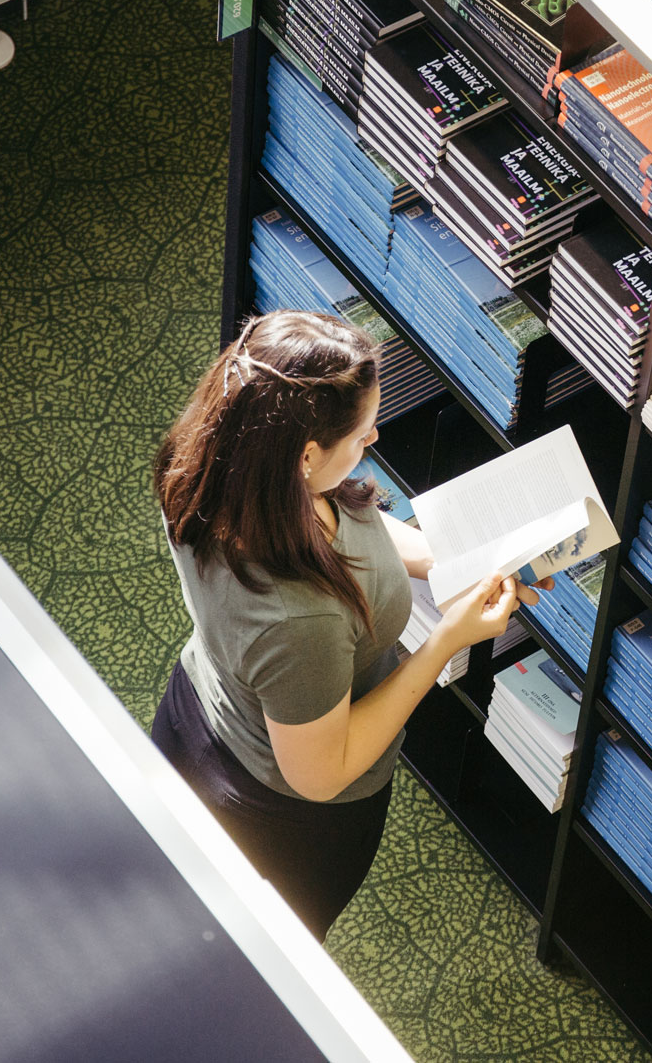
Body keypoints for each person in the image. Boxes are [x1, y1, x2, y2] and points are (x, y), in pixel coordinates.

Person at [147, 309, 538, 939]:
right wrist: (444, 642)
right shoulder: (298, 621)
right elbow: (322, 774)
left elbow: (346, 526)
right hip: (285, 820)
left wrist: (451, 560)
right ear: (305, 455)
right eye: (360, 436)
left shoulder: (212, 467)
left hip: (196, 710)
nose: (374, 439)